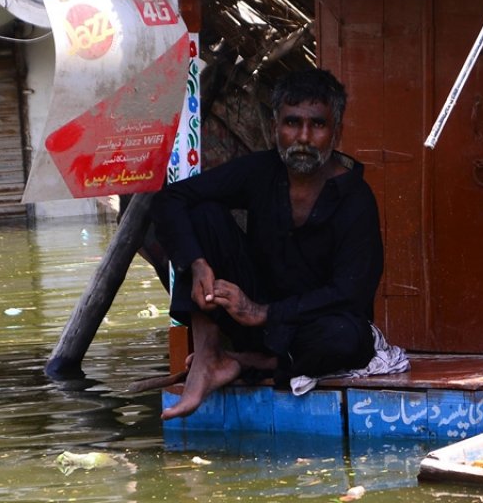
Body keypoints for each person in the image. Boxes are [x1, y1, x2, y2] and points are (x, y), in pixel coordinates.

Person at [152, 68, 382, 420]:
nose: (303, 137)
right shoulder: (260, 171)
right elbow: (171, 199)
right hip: (251, 318)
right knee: (203, 213)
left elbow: (351, 294)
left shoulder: (355, 197)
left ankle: (247, 362)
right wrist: (197, 264)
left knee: (350, 339)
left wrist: (264, 313)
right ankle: (209, 352)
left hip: (309, 331)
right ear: (275, 126)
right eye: (292, 123)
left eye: (317, 125)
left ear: (337, 132)